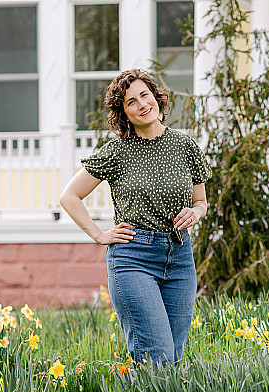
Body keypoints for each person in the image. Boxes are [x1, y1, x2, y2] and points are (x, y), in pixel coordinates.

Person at [60, 69, 210, 366]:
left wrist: (195, 212)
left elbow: (201, 201)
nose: (142, 104)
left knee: (173, 358)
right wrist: (100, 235)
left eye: (145, 95)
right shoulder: (116, 152)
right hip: (133, 258)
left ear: (156, 97)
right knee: (158, 356)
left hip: (179, 257)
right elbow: (69, 197)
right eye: (131, 101)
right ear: (124, 113)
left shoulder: (185, 146)